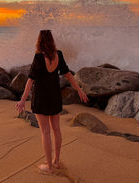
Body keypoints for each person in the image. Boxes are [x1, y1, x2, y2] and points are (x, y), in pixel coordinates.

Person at [15, 29, 89, 174]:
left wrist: (22, 100)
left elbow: (30, 80)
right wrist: (79, 90)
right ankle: (56, 161)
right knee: (56, 130)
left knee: (45, 132)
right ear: (51, 40)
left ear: (40, 41)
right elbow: (68, 75)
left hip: (41, 98)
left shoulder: (38, 57)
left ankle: (49, 167)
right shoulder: (58, 55)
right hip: (55, 97)